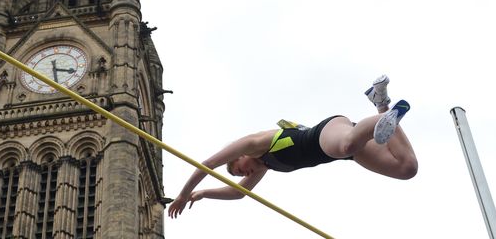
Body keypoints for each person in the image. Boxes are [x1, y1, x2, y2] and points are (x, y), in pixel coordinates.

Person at [168, 75, 418, 219]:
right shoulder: (263, 167)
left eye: (236, 169)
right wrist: (202, 194)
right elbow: (237, 193)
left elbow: (208, 164)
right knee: (406, 168)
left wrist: (182, 193)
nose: (241, 175)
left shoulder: (254, 144)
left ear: (240, 155)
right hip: (349, 149)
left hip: (327, 133)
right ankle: (382, 104)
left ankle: (382, 119)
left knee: (344, 145)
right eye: (238, 176)